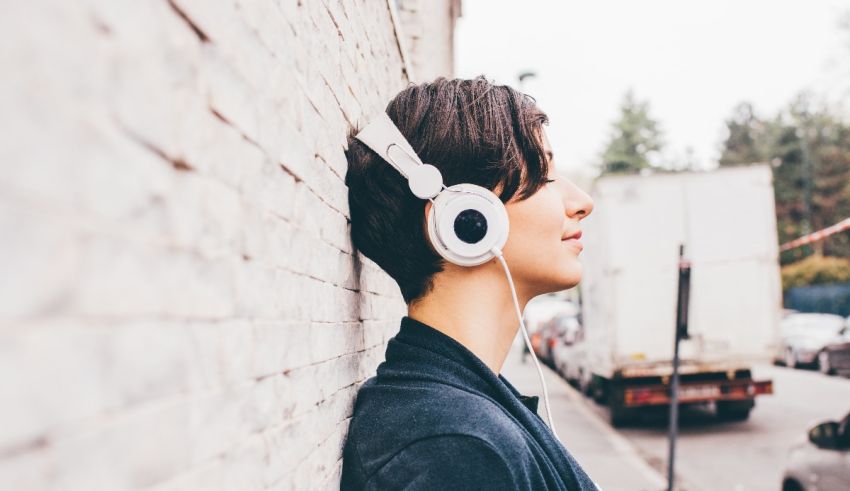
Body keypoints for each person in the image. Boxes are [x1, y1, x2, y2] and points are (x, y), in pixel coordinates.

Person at [341, 76, 597, 490]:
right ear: (463, 219)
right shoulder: (455, 451)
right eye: (546, 175)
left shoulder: (464, 418)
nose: (582, 202)